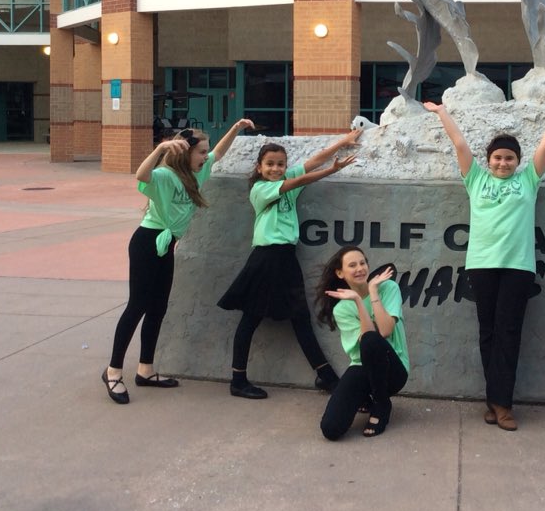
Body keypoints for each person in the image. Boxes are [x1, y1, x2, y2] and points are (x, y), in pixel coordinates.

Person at [424, 99, 545, 431]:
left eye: (509, 158)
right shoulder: (476, 180)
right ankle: (493, 401)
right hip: (481, 265)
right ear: (489, 160)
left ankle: (503, 405)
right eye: (498, 157)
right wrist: (441, 113)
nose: (503, 162)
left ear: (518, 162)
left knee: (509, 333)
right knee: (488, 333)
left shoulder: (528, 181)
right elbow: (460, 143)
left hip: (517, 267)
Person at [102, 118, 254, 405]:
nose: (205, 156)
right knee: (137, 306)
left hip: (167, 243)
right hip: (148, 242)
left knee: (158, 307)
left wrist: (235, 128)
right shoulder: (166, 175)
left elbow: (219, 153)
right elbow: (141, 174)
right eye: (200, 152)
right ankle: (112, 372)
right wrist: (162, 148)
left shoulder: (197, 173)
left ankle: (145, 370)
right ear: (185, 153)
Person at [217, 131, 361, 399]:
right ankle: (238, 380)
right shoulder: (261, 189)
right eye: (270, 164)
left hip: (286, 258)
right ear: (259, 167)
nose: (275, 168)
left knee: (300, 317)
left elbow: (312, 162)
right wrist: (332, 170)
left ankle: (325, 376)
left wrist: (342, 143)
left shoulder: (287, 178)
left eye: (280, 164)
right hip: (266, 259)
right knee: (251, 318)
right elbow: (302, 179)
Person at [315, 247, 408, 440]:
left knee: (372, 339)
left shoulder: (388, 288)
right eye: (352, 265)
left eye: (362, 263)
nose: (360, 268)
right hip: (362, 367)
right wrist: (358, 300)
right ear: (340, 273)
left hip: (393, 370)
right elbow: (367, 340)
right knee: (330, 429)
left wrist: (372, 292)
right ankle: (366, 397)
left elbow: (384, 331)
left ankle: (381, 405)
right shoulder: (341, 309)